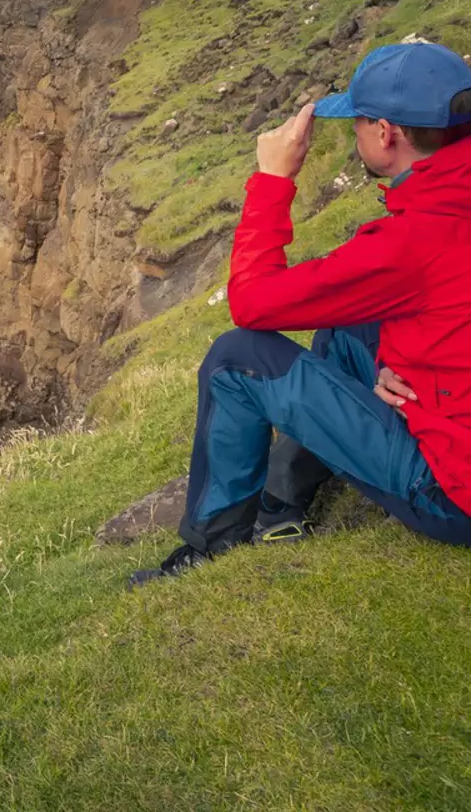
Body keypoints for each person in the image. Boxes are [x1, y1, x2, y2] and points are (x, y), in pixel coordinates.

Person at [131, 40, 471, 586]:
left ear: (387, 133)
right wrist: (402, 363)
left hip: (453, 492)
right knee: (348, 325)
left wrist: (274, 179)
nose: (355, 133)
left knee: (236, 359)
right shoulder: (454, 197)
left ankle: (212, 549)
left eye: (358, 121)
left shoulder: (416, 239)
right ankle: (281, 501)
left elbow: (252, 304)